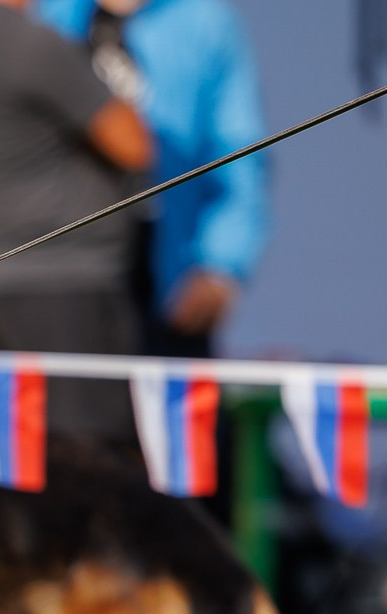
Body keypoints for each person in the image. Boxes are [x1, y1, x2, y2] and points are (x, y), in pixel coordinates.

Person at [0, 0, 154, 439]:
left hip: (12, 283)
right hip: (65, 288)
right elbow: (134, 142)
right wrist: (115, 66)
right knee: (89, 463)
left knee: (45, 460)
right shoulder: (28, 42)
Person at [37, 0, 268, 359]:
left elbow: (239, 154)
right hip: (59, 279)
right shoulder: (50, 17)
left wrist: (221, 265)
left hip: (168, 279)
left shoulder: (205, 21)